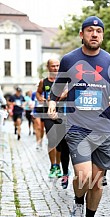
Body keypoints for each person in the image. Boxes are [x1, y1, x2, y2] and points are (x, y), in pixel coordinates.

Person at [48, 16, 110, 217]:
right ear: (82, 34)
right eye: (90, 30)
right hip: (77, 126)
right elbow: (57, 87)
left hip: (104, 128)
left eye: (98, 31)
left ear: (103, 35)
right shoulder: (70, 59)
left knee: (97, 181)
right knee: (84, 176)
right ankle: (78, 203)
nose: (94, 34)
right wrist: (52, 103)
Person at [36, 59, 70, 188]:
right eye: (53, 66)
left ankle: (62, 166)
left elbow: (66, 93)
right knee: (52, 139)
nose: (56, 68)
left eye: (57, 66)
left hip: (62, 114)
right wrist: (41, 99)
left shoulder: (64, 81)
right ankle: (54, 166)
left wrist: (54, 99)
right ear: (48, 67)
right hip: (48, 114)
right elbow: (39, 93)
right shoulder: (43, 82)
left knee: (61, 142)